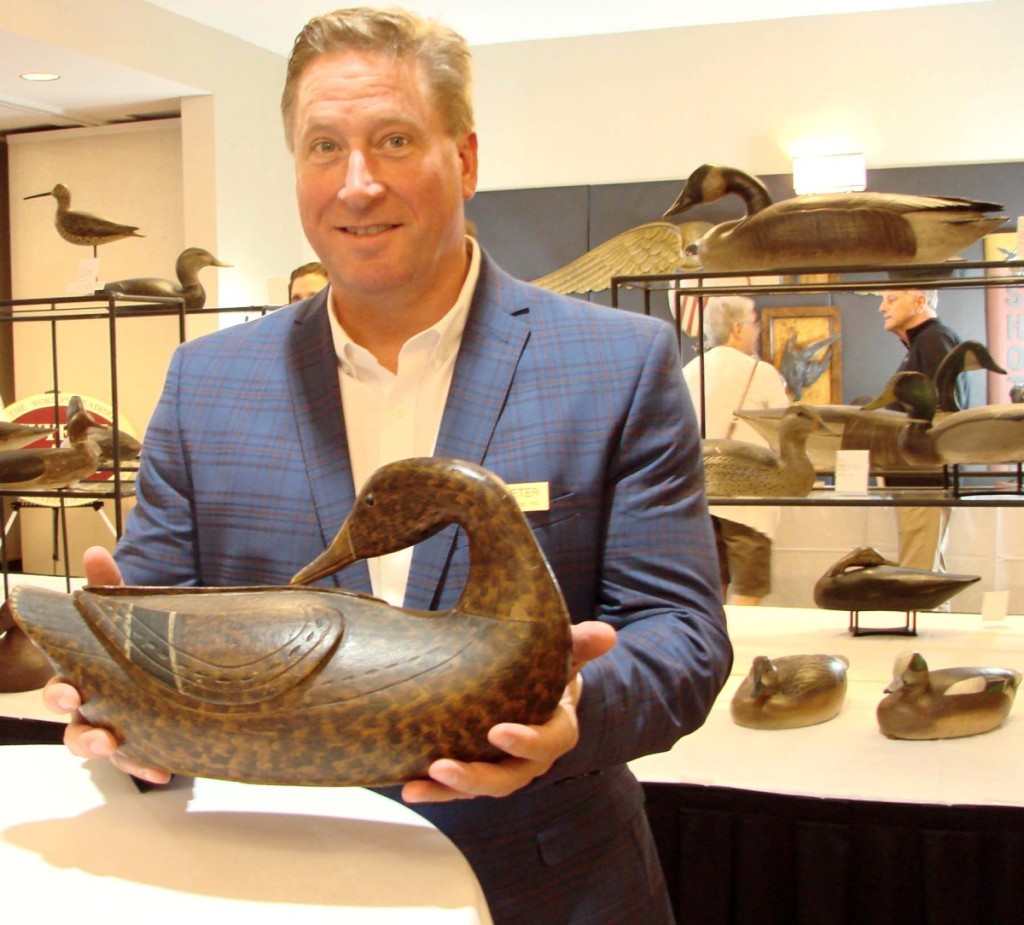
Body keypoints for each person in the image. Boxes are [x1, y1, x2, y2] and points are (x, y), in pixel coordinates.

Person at [43, 8, 731, 925]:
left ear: (468, 159)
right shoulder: (207, 380)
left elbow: (682, 634)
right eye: (324, 146)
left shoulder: (621, 363)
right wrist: (118, 706)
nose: (356, 184)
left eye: (394, 140)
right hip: (270, 878)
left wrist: (568, 709)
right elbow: (161, 615)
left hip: (546, 881)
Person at [682, 296, 789, 605]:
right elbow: (784, 431)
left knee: (713, 583)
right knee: (749, 584)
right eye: (755, 323)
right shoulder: (760, 373)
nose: (757, 331)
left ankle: (715, 646)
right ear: (738, 328)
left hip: (702, 494)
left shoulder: (689, 371)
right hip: (747, 499)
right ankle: (738, 648)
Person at [878, 288, 965, 570]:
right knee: (924, 567)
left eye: (891, 299)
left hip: (923, 478)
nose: (882, 307)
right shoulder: (925, 344)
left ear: (920, 301)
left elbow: (943, 414)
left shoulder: (933, 341)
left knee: (919, 571)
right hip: (916, 477)